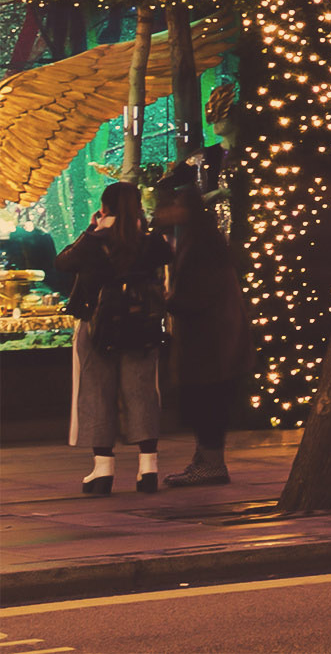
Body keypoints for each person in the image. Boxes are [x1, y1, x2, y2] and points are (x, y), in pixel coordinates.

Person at [54, 183, 170, 496]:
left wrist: (93, 227)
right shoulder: (150, 241)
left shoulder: (93, 240)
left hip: (97, 326)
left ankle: (103, 470)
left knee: (96, 391)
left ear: (104, 209)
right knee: (142, 390)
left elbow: (62, 262)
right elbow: (166, 254)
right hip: (141, 326)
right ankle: (148, 468)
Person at [154, 179, 243, 487]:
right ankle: (205, 461)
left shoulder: (201, 245)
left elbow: (200, 294)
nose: (161, 212)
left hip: (210, 340)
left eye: (168, 205)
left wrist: (169, 301)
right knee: (203, 399)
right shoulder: (200, 238)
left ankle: (212, 465)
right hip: (212, 338)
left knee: (206, 399)